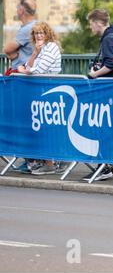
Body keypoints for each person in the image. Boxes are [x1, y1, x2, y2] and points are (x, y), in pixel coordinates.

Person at [84, 9, 113, 181]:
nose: (90, 27)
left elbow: (112, 63)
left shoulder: (109, 38)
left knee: (104, 127)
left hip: (109, 89)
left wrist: (94, 74)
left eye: (91, 23)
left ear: (98, 23)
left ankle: (107, 166)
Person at [17, 22, 63, 175]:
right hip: (38, 92)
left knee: (46, 127)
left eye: (41, 33)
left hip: (48, 92)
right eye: (36, 33)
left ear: (47, 34)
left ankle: (51, 163)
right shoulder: (39, 49)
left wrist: (26, 70)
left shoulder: (51, 47)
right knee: (37, 127)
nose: (39, 36)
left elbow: (37, 70)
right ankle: (43, 161)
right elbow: (26, 66)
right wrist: (34, 55)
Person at [3, 0, 37, 75]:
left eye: (17, 8)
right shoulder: (35, 25)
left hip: (21, 73)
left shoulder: (27, 29)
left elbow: (6, 49)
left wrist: (16, 51)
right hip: (27, 71)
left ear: (21, 11)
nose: (16, 11)